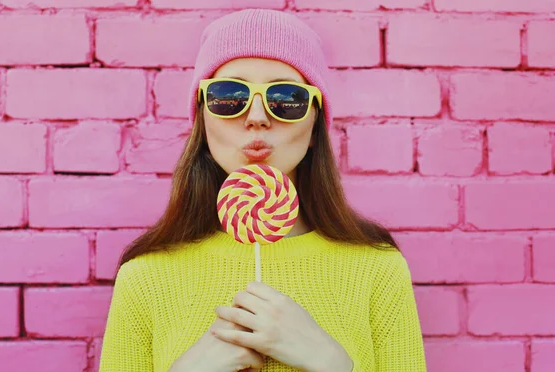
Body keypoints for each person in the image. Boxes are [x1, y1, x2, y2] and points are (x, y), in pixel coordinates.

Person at [99, 8, 427, 372]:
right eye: (228, 95)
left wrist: (332, 363)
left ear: (315, 118)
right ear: (203, 118)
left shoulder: (377, 269)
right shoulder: (145, 277)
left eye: (286, 97)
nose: (256, 116)